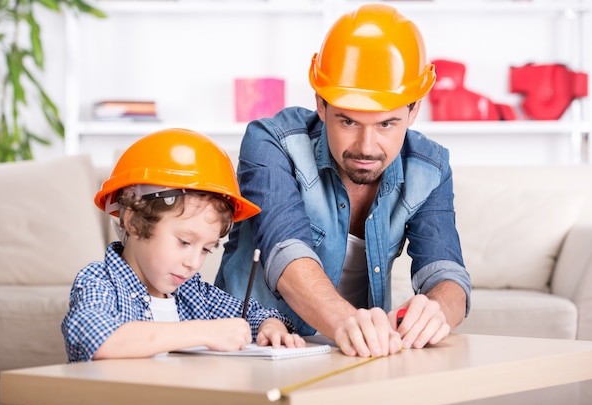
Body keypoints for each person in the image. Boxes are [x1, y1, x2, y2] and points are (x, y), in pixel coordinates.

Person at [216, 4, 471, 358]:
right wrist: (349, 324)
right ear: (321, 104)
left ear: (414, 110)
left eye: (386, 124)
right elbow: (285, 253)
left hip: (355, 353)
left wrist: (438, 309)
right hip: (257, 350)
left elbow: (446, 271)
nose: (367, 148)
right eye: (348, 122)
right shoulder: (271, 141)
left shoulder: (430, 167)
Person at [62, 128, 305, 366]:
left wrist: (270, 327)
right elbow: (96, 339)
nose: (194, 263)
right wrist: (204, 332)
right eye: (185, 242)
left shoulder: (193, 293)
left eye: (206, 249)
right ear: (134, 223)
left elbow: (256, 314)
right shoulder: (100, 282)